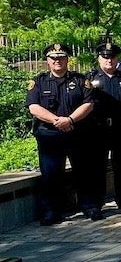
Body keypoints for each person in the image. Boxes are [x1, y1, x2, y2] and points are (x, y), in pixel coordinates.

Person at [27, 43, 95, 225]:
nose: (57, 61)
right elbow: (33, 107)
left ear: (67, 59)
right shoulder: (38, 82)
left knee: (84, 171)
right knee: (51, 175)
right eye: (53, 58)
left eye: (61, 57)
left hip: (77, 132)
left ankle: (89, 207)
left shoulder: (81, 80)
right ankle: (51, 212)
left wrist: (70, 120)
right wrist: (57, 121)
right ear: (47, 61)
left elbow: (89, 104)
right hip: (49, 135)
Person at [86, 40, 121, 213]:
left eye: (112, 57)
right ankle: (97, 203)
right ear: (99, 59)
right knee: (97, 167)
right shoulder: (90, 79)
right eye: (105, 57)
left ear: (117, 59)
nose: (109, 61)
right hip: (98, 130)